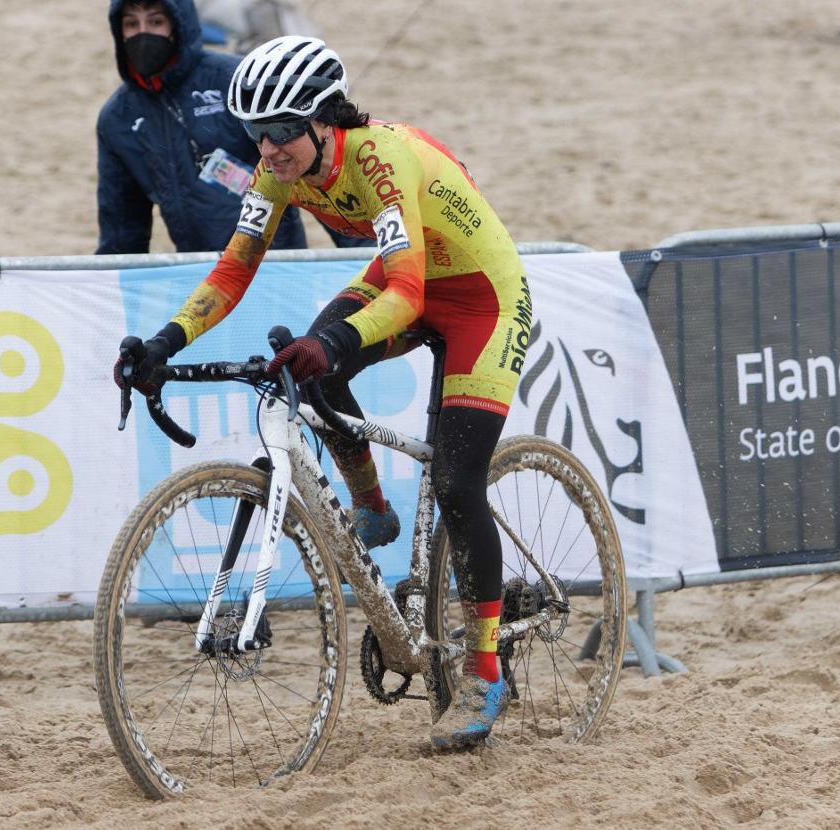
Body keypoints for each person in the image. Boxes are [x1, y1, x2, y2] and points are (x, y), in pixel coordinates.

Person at [115, 35, 530, 750]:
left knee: (458, 484)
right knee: (311, 365)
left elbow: (406, 295)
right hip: (408, 280)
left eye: (281, 131)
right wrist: (163, 344)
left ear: (323, 119)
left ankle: (485, 672)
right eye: (255, 133)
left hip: (481, 300)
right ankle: (373, 509)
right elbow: (232, 271)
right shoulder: (277, 171)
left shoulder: (379, 159)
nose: (268, 149)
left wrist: (334, 342)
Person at [96, 0, 368, 254]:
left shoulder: (239, 82)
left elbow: (322, 171)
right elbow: (122, 234)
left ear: (179, 23)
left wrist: (367, 255)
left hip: (276, 265)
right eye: (131, 24)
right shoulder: (117, 119)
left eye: (156, 22)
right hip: (197, 272)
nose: (143, 34)